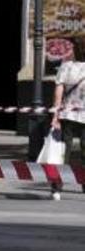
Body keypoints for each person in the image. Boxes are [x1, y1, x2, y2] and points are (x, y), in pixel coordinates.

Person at [50, 38, 85, 201]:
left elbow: (58, 93)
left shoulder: (65, 67)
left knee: (64, 152)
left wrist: (55, 115)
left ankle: (57, 187)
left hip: (67, 114)